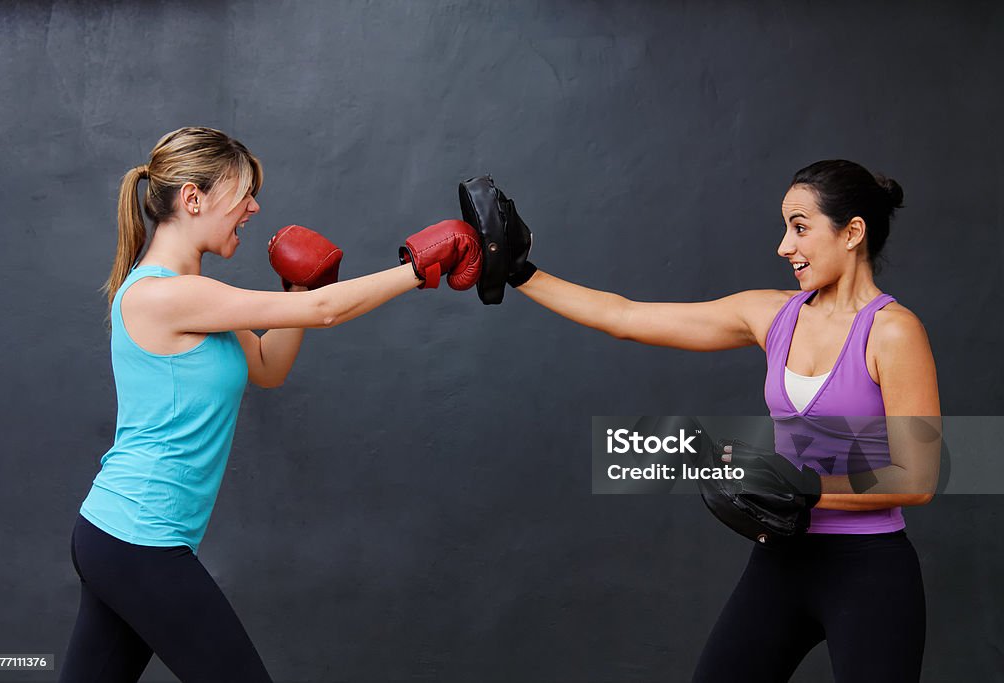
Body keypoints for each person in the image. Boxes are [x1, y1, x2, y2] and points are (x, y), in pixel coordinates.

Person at [59, 126, 481, 683]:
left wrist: (298, 290)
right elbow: (329, 312)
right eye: (243, 194)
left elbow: (269, 367)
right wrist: (418, 268)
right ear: (193, 198)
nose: (254, 208)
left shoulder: (199, 298)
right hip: (138, 540)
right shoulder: (163, 295)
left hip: (122, 538)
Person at [501, 160, 939, 682]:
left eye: (799, 227)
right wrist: (522, 273)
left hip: (869, 568)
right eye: (784, 228)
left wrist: (806, 488)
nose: (783, 245)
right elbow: (626, 317)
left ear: (853, 232)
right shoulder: (773, 314)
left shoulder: (892, 332)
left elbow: (917, 477)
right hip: (782, 560)